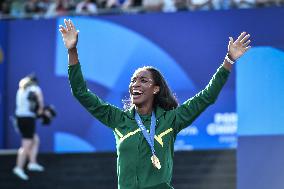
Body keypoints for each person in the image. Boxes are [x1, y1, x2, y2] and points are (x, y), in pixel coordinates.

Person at [59, 19, 251, 188]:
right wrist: (72, 50)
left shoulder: (171, 120)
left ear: (156, 89)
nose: (136, 84)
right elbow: (81, 92)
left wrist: (229, 60)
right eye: (133, 80)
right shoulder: (118, 120)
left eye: (143, 80)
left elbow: (207, 96)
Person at [13, 74, 45, 181]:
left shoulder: (20, 90)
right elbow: (40, 102)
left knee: (35, 140)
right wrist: (41, 110)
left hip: (19, 118)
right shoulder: (35, 88)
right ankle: (18, 167)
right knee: (26, 145)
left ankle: (32, 163)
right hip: (28, 119)